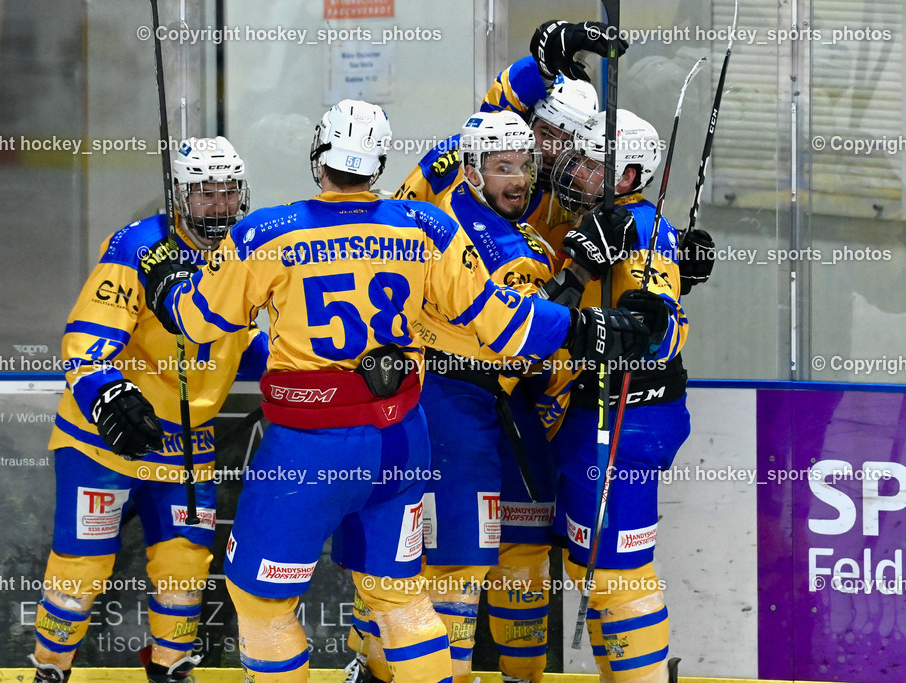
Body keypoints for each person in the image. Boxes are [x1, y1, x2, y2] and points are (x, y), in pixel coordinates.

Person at [142, 100, 651, 683]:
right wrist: (584, 325)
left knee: (262, 601)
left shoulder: (263, 232)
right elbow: (502, 322)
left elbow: (199, 322)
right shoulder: (425, 225)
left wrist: (167, 284)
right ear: (379, 161)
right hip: (400, 442)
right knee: (401, 599)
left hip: (308, 448)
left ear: (319, 159)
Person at [29, 137, 267, 683]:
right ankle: (49, 669)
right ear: (178, 195)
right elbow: (85, 340)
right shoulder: (137, 247)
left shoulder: (248, 251)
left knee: (185, 570)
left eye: (226, 192)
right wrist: (107, 393)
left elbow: (247, 343)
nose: (217, 204)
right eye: (202, 193)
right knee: (80, 568)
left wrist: (305, 376)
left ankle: (170, 668)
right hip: (104, 442)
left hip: (186, 445)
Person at [546, 109, 691, 683]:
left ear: (628, 175)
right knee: (591, 566)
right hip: (597, 416)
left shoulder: (639, 227)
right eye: (576, 156)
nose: (571, 168)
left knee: (617, 573)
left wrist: (637, 317)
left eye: (588, 162)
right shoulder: (599, 221)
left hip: (627, 418)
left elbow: (657, 326)